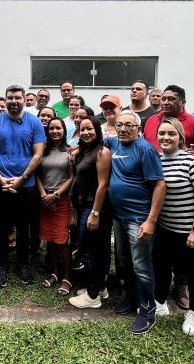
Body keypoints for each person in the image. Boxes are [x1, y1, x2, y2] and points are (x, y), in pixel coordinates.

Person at [102, 110, 166, 334]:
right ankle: (130, 297)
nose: (123, 128)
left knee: (141, 266)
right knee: (123, 261)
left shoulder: (145, 149)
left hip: (139, 217)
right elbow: (89, 138)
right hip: (118, 216)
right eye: (119, 124)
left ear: (138, 129)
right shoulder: (114, 143)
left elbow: (159, 185)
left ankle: (147, 312)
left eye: (129, 125)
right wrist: (75, 149)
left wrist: (150, 221)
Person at [152, 118, 194, 336]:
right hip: (164, 227)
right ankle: (159, 301)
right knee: (160, 266)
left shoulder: (192, 162)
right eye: (162, 133)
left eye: (171, 133)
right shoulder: (156, 160)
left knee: (191, 270)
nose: (166, 137)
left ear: (181, 137)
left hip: (190, 230)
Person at [0, 85, 46, 288]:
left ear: (24, 99)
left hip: (26, 184)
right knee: (1, 226)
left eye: (17, 97)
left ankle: (23, 264)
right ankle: (2, 265)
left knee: (23, 226)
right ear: (5, 99)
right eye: (10, 97)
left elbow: (38, 154)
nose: (14, 101)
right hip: (0, 183)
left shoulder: (35, 122)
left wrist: (22, 178)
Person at [67, 116, 113, 309]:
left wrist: (95, 213)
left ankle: (92, 295)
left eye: (90, 129)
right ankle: (101, 288)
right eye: (83, 129)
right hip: (84, 204)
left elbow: (103, 185)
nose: (86, 132)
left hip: (94, 207)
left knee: (89, 250)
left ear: (98, 130)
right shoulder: (86, 151)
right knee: (98, 249)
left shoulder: (102, 152)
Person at [36, 117, 74, 295]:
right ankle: (55, 272)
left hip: (62, 200)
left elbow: (72, 177)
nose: (54, 131)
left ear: (64, 130)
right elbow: (37, 175)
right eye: (51, 128)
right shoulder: (42, 151)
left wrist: (56, 195)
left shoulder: (69, 151)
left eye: (58, 128)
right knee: (50, 239)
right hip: (44, 199)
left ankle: (67, 276)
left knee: (62, 240)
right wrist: (44, 195)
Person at [143, 85, 194, 153]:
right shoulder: (151, 121)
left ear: (182, 102)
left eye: (171, 99)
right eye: (163, 99)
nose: (165, 102)